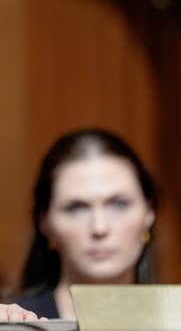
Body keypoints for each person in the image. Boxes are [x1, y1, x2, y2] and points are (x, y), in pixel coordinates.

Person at [14, 128, 157, 319]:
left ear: (149, 213)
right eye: (76, 208)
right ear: (45, 223)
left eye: (119, 204)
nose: (99, 228)